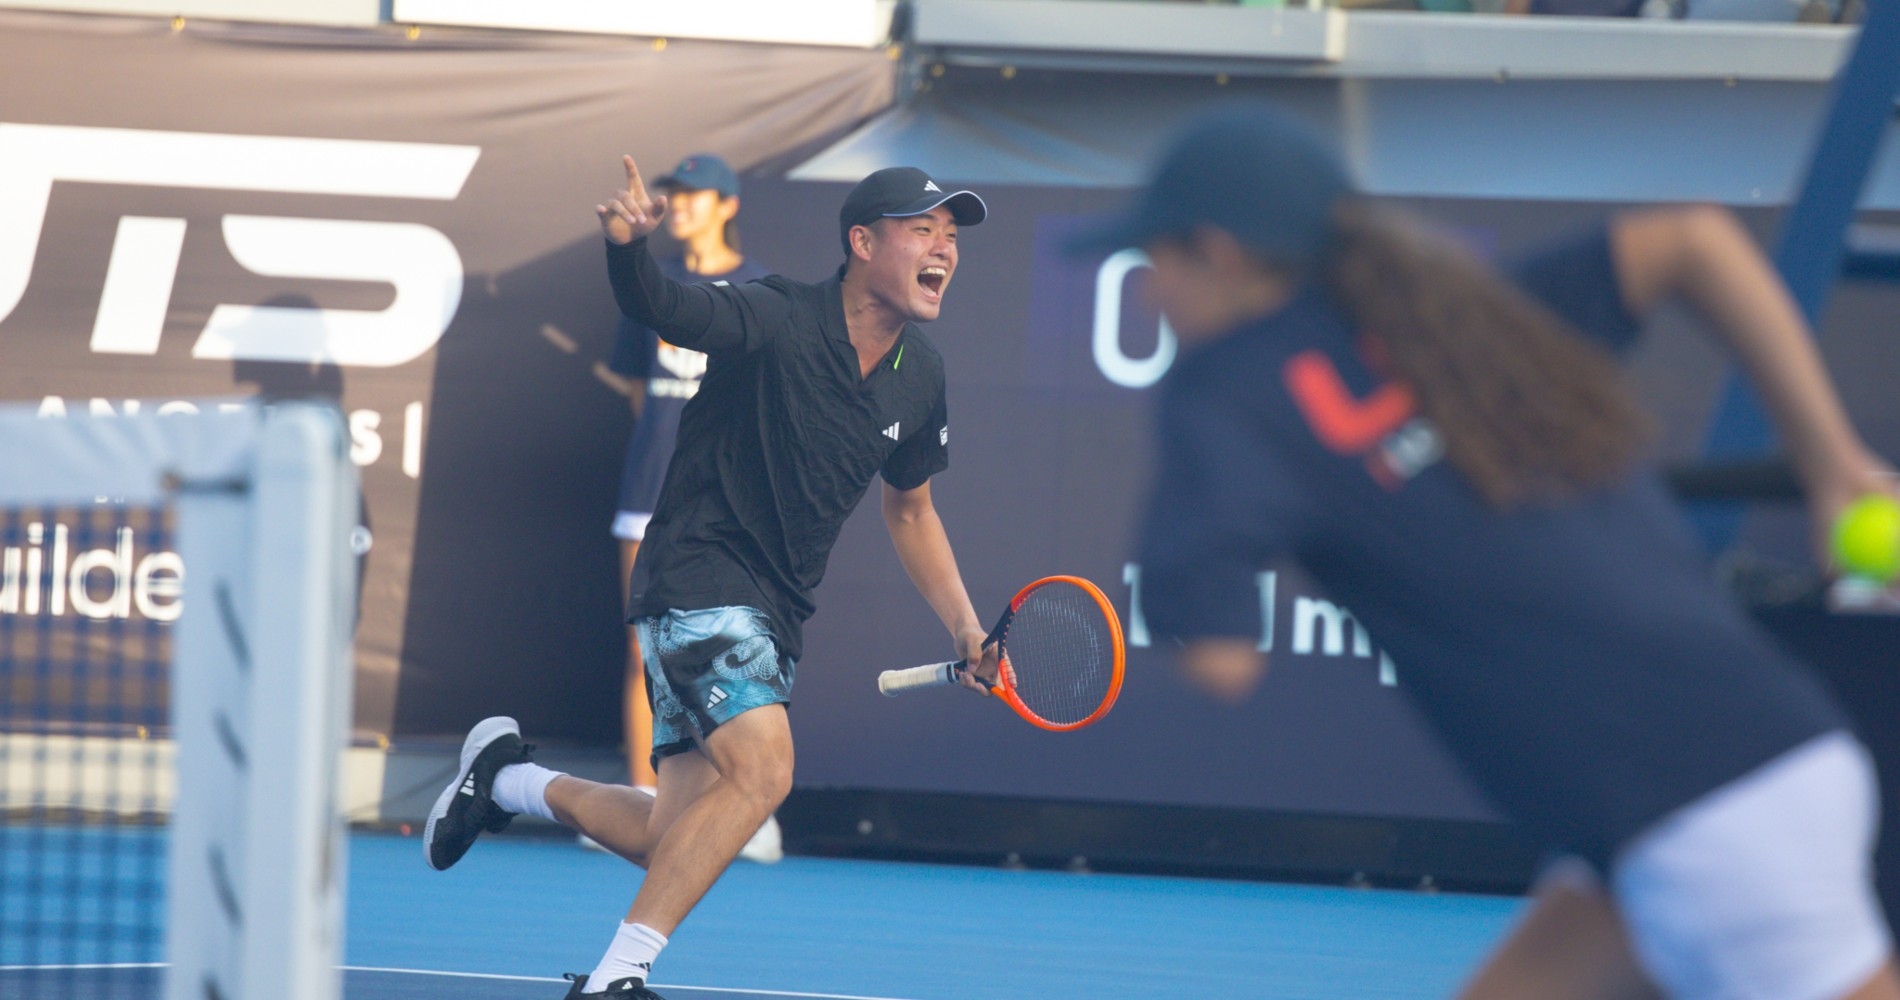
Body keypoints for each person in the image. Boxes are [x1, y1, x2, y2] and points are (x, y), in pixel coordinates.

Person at [1087, 105, 1900, 1000]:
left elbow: (1221, 663)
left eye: (1153, 261)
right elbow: (1693, 239)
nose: (1149, 293)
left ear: (1219, 252)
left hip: (1706, 825)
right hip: (1752, 765)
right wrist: (1833, 464)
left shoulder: (1222, 393)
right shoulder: (1454, 324)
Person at [421, 157, 998, 1000]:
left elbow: (910, 510)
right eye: (924, 229)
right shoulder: (772, 314)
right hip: (696, 572)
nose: (944, 245)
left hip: (773, 610)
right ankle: (617, 979)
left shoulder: (923, 375)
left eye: (951, 234)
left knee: (673, 837)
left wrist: (965, 628)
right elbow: (660, 304)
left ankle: (504, 778)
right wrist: (628, 250)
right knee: (764, 774)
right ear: (863, 242)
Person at [598, 154, 782, 862]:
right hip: (648, 495)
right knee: (646, 650)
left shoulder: (761, 288)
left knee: (731, 650)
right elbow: (635, 386)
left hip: (727, 504)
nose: (680, 204)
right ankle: (646, 800)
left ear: (727, 204)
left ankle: (740, 801)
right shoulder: (653, 285)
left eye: (695, 195)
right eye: (673, 194)